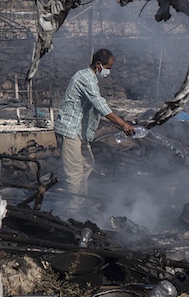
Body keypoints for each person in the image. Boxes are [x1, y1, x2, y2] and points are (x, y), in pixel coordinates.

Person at [54, 48, 135, 203]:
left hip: (80, 131)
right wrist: (122, 124)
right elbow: (100, 105)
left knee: (86, 164)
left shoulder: (90, 78)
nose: (108, 72)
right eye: (108, 68)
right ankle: (73, 211)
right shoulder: (86, 78)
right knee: (75, 173)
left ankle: (81, 202)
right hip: (70, 130)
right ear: (99, 65)